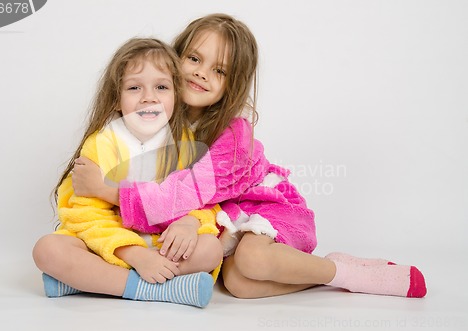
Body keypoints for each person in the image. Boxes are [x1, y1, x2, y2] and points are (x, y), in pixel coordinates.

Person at [72, 14, 427, 299]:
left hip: (265, 210)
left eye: (219, 70)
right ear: (174, 58)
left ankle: (345, 273)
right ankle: (314, 276)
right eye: (194, 58)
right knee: (240, 285)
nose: (201, 72)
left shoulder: (233, 136)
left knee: (254, 258)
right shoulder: (159, 112)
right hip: (220, 223)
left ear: (234, 83)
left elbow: (182, 193)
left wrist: (107, 191)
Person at [32, 38, 223, 308]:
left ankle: (93, 281)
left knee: (210, 249)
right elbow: (85, 216)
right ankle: (154, 289)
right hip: (107, 246)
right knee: (48, 250)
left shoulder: (186, 144)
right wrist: (135, 255)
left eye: (161, 87)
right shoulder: (102, 144)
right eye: (134, 87)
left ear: (176, 95)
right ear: (116, 99)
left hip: (160, 246)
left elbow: (204, 200)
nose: (149, 97)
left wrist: (189, 223)